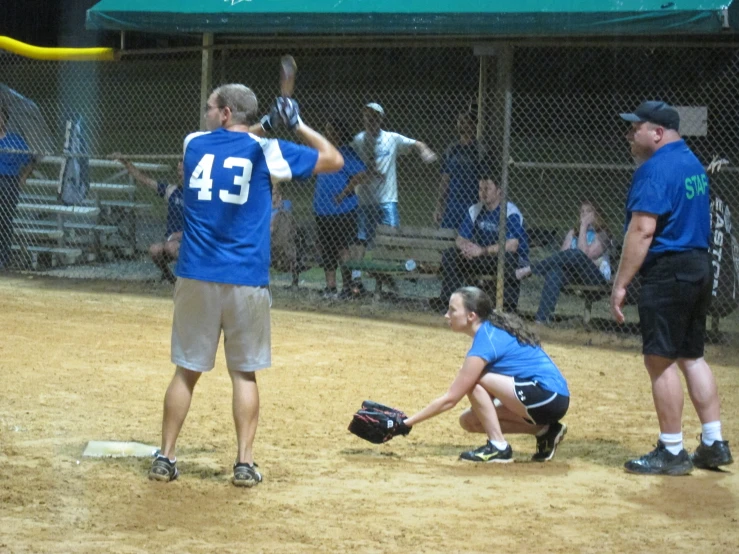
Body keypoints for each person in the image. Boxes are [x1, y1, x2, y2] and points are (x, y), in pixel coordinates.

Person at [148, 84, 343, 487]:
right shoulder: (266, 152)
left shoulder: (194, 144)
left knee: (186, 371)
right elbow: (333, 159)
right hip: (246, 279)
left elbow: (238, 137)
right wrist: (296, 123)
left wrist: (269, 123)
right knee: (244, 375)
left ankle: (165, 457)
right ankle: (244, 463)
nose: (205, 113)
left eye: (210, 107)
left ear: (224, 113)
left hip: (196, 274)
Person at [612, 100, 732, 475]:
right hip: (698, 267)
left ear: (657, 133)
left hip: (669, 271)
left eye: (637, 128)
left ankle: (672, 450)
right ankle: (713, 442)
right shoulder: (692, 162)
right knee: (691, 355)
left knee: (659, 359)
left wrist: (620, 283)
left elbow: (643, 230)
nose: (630, 134)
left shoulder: (655, 169)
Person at [402, 286, 569, 463]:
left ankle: (498, 447)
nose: (446, 315)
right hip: (548, 398)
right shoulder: (489, 331)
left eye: (452, 310)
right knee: (470, 421)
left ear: (471, 316)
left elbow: (451, 399)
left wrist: (406, 423)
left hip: (547, 396)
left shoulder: (487, 339)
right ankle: (545, 431)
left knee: (474, 381)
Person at [345, 102, 437, 294]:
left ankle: (406, 269)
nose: (371, 119)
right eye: (368, 115)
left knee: (393, 237)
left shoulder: (391, 138)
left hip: (387, 200)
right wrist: (364, 173)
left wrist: (425, 151)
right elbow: (347, 162)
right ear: (363, 118)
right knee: (360, 239)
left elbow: (416, 143)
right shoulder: (358, 140)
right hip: (364, 199)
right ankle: (356, 279)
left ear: (381, 118)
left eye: (375, 116)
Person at [434, 169, 528, 313]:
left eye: (488, 189)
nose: (483, 192)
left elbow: (512, 245)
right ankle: (449, 303)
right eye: (480, 188)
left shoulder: (510, 212)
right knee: (451, 255)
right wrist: (466, 248)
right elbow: (460, 238)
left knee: (509, 259)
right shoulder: (475, 209)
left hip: (503, 258)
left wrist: (482, 250)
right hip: (482, 257)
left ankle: (507, 308)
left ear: (499, 191)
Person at [516, 201, 611, 323]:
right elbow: (561, 258)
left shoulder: (603, 234)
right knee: (555, 272)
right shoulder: (573, 233)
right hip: (574, 276)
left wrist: (583, 227)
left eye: (588, 211)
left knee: (577, 254)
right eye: (581, 211)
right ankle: (541, 320)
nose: (584, 214)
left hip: (595, 278)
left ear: (596, 214)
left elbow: (585, 255)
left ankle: (530, 269)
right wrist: (580, 229)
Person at [111, 153, 184, 284]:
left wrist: (182, 235)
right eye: (179, 171)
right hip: (171, 242)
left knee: (171, 247)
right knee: (154, 250)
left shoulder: (198, 195)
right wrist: (125, 162)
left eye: (183, 171)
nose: (180, 174)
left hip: (188, 241)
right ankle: (171, 279)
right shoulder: (172, 191)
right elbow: (143, 179)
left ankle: (191, 279)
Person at [315, 119, 367, 299]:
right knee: (327, 249)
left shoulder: (346, 152)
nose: (327, 133)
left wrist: (343, 194)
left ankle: (347, 287)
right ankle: (330, 287)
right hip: (322, 210)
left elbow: (360, 175)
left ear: (338, 132)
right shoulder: (324, 152)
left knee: (343, 249)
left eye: (330, 130)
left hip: (343, 210)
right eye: (326, 129)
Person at [435, 112, 486, 230]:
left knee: (470, 240)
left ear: (473, 124)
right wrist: (439, 206)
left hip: (472, 204)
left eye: (465, 120)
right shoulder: (452, 150)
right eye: (459, 120)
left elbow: (484, 180)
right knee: (446, 240)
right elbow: (445, 180)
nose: (461, 123)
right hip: (452, 204)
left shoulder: (479, 151)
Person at [0, 105, 34, 269]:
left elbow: (29, 161)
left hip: (8, 182)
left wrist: (23, 177)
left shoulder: (15, 140)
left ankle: (3, 258)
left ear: (4, 120)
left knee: (5, 220)